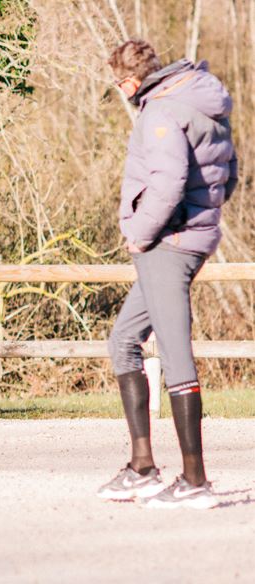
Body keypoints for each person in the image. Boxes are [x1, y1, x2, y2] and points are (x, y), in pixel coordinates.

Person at [97, 39, 237, 509]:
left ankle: (195, 480)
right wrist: (202, 217)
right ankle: (142, 467)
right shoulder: (200, 101)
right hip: (193, 236)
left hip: (168, 243)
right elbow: (228, 174)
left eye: (118, 85)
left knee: (175, 357)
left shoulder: (158, 113)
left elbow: (170, 181)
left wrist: (139, 232)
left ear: (130, 82)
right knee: (123, 339)